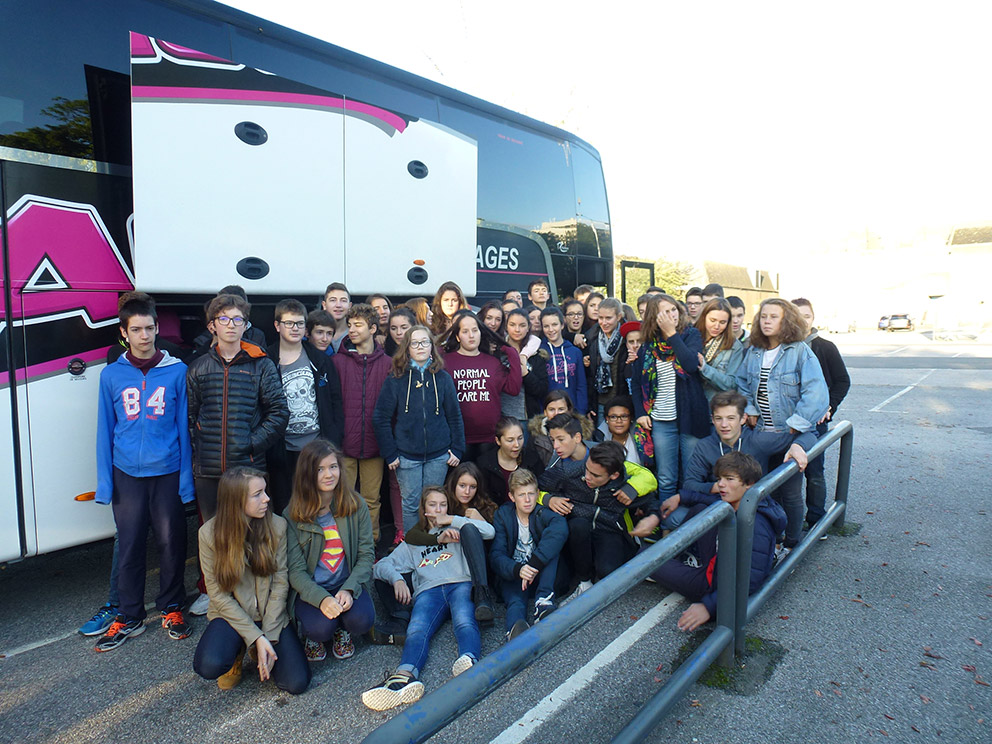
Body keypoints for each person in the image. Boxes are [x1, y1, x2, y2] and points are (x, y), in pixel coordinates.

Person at [92, 295, 193, 651]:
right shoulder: (111, 375)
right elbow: (105, 430)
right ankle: (130, 614)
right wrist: (105, 484)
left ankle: (171, 607)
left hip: (166, 471)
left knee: (170, 543)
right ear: (124, 333)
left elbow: (183, 428)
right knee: (131, 544)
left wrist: (186, 480)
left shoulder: (177, 371)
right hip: (127, 475)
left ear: (157, 328)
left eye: (150, 328)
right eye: (136, 329)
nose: (144, 335)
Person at [186, 293, 288, 616]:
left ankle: (257, 599)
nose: (231, 325)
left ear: (246, 325)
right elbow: (191, 418)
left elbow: (278, 413)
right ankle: (216, 597)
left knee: (253, 535)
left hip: (248, 469)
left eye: (238, 320)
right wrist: (203, 449)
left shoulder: (261, 364)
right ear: (212, 325)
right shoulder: (199, 367)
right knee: (214, 536)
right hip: (210, 471)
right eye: (224, 319)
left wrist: (250, 443)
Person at [363, 486, 491, 711]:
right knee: (417, 628)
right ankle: (404, 677)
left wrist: (454, 519)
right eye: (433, 505)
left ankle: (469, 660)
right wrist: (398, 580)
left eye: (443, 504)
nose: (438, 509)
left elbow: (488, 532)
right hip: (429, 590)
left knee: (464, 619)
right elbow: (381, 566)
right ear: (424, 509)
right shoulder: (414, 540)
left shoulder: (456, 527)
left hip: (459, 582)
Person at [193, 467, 309, 693]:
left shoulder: (276, 526)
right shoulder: (208, 535)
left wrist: (270, 635)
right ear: (235, 501)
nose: (266, 498)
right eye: (257, 494)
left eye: (265, 491)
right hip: (232, 616)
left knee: (296, 683)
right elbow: (217, 595)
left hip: (270, 614)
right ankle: (238, 651)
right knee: (209, 665)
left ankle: (259, 648)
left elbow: (280, 583)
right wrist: (256, 636)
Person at [650, 452, 785, 633]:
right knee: (700, 509)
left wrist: (708, 606)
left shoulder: (756, 524)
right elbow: (706, 499)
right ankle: (686, 560)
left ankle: (684, 568)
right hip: (718, 562)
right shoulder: (748, 501)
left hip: (714, 585)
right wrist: (681, 497)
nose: (721, 484)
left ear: (749, 484)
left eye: (729, 479)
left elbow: (751, 581)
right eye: (720, 478)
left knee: (644, 558)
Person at [735, 298, 829, 551]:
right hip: (762, 433)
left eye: (773, 317)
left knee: (790, 492)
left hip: (794, 434)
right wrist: (751, 409)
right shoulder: (753, 351)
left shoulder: (799, 351)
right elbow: (742, 382)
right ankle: (769, 541)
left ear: (786, 320)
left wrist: (796, 423)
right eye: (763, 316)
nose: (766, 321)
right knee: (760, 491)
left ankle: (792, 542)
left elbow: (817, 392)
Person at [666, 391, 813, 528]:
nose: (724, 425)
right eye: (718, 418)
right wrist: (719, 487)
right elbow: (690, 484)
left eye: (731, 418)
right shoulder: (705, 446)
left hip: (752, 506)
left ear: (743, 418)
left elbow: (810, 435)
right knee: (676, 517)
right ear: (712, 419)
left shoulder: (757, 440)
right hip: (718, 503)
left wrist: (797, 446)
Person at [285, 440, 375, 663]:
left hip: (343, 581)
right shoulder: (292, 515)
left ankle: (342, 630)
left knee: (362, 621)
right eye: (320, 469)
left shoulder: (356, 505)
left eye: (333, 467)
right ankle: (313, 637)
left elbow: (366, 555)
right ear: (307, 473)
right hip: (313, 588)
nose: (329, 474)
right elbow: (295, 572)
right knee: (319, 629)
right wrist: (321, 599)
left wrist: (349, 588)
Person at [372, 325, 464, 533]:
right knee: (411, 504)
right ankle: (413, 549)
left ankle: (435, 547)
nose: (420, 346)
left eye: (425, 342)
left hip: (439, 455)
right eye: (415, 343)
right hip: (406, 457)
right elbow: (380, 418)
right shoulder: (396, 380)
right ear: (407, 348)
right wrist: (390, 453)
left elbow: (455, 416)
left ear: (432, 346)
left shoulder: (443, 378)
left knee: (434, 504)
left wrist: (457, 448)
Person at [540, 439, 658, 595]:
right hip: (576, 533)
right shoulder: (569, 471)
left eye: (595, 475)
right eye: (587, 470)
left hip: (608, 530)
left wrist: (654, 517)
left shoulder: (625, 484)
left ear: (614, 475)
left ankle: (601, 565)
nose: (588, 477)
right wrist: (548, 499)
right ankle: (584, 580)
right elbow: (535, 488)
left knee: (608, 573)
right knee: (578, 528)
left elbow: (652, 502)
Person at [266, 298, 344, 515]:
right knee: (286, 504)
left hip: (316, 446)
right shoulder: (267, 360)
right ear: (277, 325)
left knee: (318, 503)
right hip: (282, 449)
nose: (295, 328)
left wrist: (334, 439)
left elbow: (336, 401)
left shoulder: (319, 360)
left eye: (299, 323)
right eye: (289, 323)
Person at [631, 294, 710, 504]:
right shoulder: (648, 345)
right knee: (666, 478)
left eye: (673, 309)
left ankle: (691, 526)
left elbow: (691, 365)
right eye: (663, 312)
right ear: (653, 317)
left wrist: (672, 334)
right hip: (661, 421)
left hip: (690, 418)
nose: (670, 315)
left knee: (691, 477)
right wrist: (640, 413)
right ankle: (667, 528)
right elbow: (636, 383)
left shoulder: (690, 335)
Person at [404, 463, 497, 624]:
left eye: (472, 487)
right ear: (453, 484)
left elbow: (491, 534)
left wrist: (453, 519)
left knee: (468, 529)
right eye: (462, 486)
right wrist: (437, 539)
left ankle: (482, 596)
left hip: (484, 568)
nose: (467, 492)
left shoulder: (481, 507)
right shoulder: (443, 505)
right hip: (454, 569)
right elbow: (412, 535)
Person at [332, 303, 392, 541]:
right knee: (343, 496)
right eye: (349, 325)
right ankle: (343, 542)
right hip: (345, 444)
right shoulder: (338, 362)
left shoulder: (387, 364)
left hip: (375, 444)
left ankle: (370, 542)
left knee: (371, 499)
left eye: (358, 325)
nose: (352, 330)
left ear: (373, 328)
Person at [792, 298, 851, 533]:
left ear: (813, 318)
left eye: (806, 316)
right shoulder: (782, 346)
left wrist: (829, 406)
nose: (802, 320)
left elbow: (842, 381)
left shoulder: (824, 347)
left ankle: (816, 519)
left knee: (814, 472)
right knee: (788, 474)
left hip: (816, 424)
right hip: (789, 422)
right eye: (797, 315)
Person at [490, 469, 568, 640]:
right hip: (516, 574)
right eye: (521, 495)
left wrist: (534, 564)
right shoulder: (503, 515)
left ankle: (543, 602)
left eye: (531, 494)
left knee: (550, 546)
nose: (527, 500)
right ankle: (516, 628)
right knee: (516, 601)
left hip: (541, 575)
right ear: (512, 497)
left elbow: (560, 527)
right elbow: (497, 556)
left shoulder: (542, 512)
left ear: (537, 494)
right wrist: (518, 569)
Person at [443, 310, 522, 462]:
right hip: (458, 438)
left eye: (475, 330)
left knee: (485, 483)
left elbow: (513, 388)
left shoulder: (492, 362)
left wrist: (511, 352)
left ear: (481, 333)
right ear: (458, 337)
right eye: (465, 332)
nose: (471, 335)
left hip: (489, 436)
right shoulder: (446, 361)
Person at [477, 415, 545, 503]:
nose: (517, 445)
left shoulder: (532, 458)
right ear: (498, 441)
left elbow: (543, 487)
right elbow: (484, 499)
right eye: (510, 440)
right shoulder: (485, 464)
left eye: (520, 438)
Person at [584, 297, 625, 422]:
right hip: (600, 401)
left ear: (618, 317)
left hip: (621, 399)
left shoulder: (627, 337)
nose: (604, 322)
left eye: (608, 318)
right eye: (601, 318)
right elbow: (590, 376)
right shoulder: (592, 338)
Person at [695, 298, 745, 402]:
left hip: (715, 405)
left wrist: (705, 368)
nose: (716, 326)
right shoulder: (692, 337)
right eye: (712, 320)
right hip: (691, 402)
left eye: (722, 322)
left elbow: (732, 384)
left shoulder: (734, 346)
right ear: (704, 317)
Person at [540, 307, 588, 414]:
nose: (551, 329)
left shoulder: (575, 352)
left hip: (571, 410)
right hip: (548, 412)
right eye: (546, 326)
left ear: (562, 325)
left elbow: (581, 385)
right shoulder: (538, 351)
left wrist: (581, 412)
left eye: (554, 324)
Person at [525, 390, 589, 467]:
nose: (556, 414)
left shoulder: (584, 432)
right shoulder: (535, 438)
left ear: (569, 411)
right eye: (551, 409)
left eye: (561, 409)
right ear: (545, 412)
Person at [504, 307, 548, 419]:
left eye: (522, 325)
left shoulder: (537, 354)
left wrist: (526, 374)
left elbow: (542, 389)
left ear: (529, 327)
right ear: (506, 326)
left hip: (528, 416)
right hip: (502, 416)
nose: (517, 330)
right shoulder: (498, 352)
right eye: (512, 325)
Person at [596, 395, 653, 469]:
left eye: (624, 416)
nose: (619, 421)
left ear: (631, 418)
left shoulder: (641, 440)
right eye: (613, 417)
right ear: (607, 419)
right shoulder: (599, 439)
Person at [321, 282, 352, 353]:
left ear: (349, 306)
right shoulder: (314, 335)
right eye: (333, 300)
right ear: (324, 305)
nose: (338, 305)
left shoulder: (355, 333)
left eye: (343, 300)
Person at [619, 321, 642, 395]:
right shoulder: (624, 363)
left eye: (639, 341)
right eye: (631, 342)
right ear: (626, 345)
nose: (635, 345)